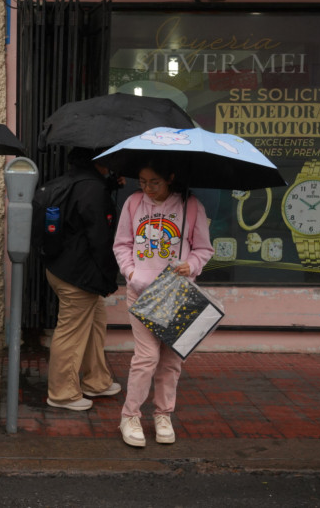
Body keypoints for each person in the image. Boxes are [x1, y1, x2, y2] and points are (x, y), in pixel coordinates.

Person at [113, 159, 213, 447]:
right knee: (146, 358)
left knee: (171, 360)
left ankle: (163, 414)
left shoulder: (190, 206)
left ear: (170, 178)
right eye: (142, 182)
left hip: (177, 294)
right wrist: (131, 273)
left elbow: (204, 249)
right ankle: (130, 416)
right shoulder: (133, 203)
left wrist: (191, 265)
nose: (147, 188)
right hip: (141, 293)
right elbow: (122, 244)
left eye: (153, 182)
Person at [44, 150, 122, 412]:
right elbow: (99, 239)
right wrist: (110, 277)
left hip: (60, 268)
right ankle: (62, 393)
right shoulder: (93, 189)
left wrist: (109, 185)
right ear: (98, 162)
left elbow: (78, 210)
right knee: (72, 332)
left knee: (95, 323)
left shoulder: (68, 181)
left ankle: (96, 381)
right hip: (79, 275)